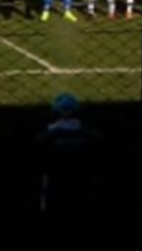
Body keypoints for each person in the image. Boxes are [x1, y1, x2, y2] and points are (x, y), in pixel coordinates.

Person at [36, 94, 100, 248]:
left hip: (56, 184)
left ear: (55, 113)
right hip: (81, 184)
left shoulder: (48, 135)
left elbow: (40, 147)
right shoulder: (89, 134)